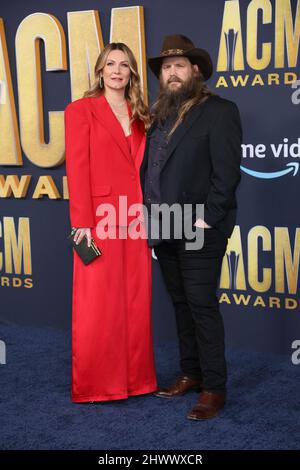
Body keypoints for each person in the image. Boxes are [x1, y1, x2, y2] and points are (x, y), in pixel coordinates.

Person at [140, 35, 242, 420]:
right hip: (163, 225)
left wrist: (208, 217)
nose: (172, 73)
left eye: (179, 65)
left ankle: (215, 387)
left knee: (201, 306)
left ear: (195, 70)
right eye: (166, 68)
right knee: (181, 304)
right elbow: (151, 173)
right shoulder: (158, 117)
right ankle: (191, 373)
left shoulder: (219, 111)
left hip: (200, 225)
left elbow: (227, 173)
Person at [64, 42, 157, 403]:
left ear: (132, 72)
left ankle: (137, 381)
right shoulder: (80, 110)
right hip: (98, 221)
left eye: (124, 65)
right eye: (110, 64)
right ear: (100, 70)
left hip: (134, 220)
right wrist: (82, 225)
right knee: (97, 305)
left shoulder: (140, 114)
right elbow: (77, 168)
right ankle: (96, 384)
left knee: (135, 301)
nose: (117, 71)